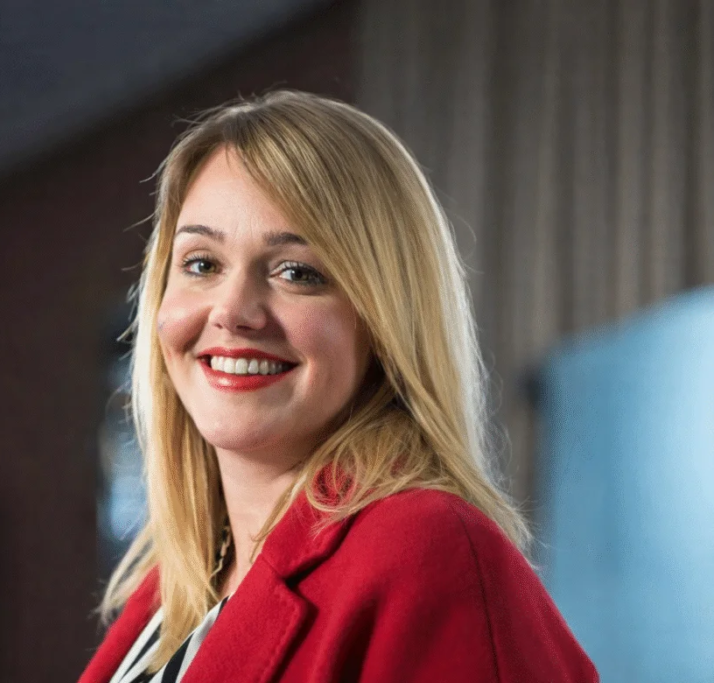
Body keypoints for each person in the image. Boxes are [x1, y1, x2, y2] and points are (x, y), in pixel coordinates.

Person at [78, 90, 598, 683]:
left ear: (384, 319)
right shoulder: (171, 589)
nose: (233, 311)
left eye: (297, 272)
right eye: (202, 264)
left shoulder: (428, 549)